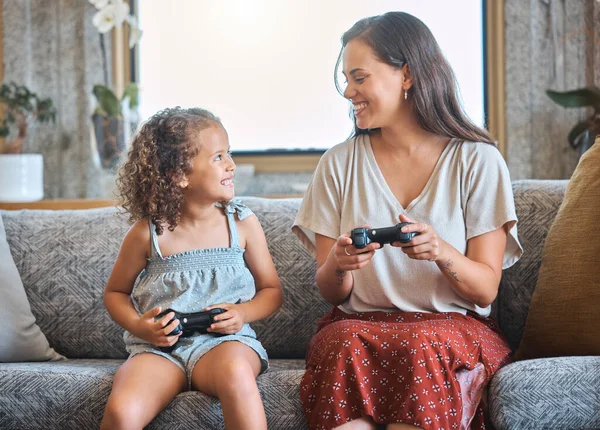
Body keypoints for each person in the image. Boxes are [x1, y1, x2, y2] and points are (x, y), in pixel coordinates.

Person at [292, 12, 522, 430]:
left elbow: (486, 287)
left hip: (448, 329)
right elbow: (330, 291)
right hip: (358, 328)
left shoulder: (477, 160)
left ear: (407, 75)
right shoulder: (338, 164)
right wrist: (340, 264)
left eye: (359, 77)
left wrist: (440, 252)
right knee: (340, 340)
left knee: (421, 344)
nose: (348, 91)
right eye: (346, 79)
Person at [100, 107, 283, 430]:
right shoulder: (147, 233)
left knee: (237, 376)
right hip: (159, 351)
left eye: (229, 154)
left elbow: (271, 291)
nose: (231, 165)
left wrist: (242, 314)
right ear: (178, 174)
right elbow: (116, 293)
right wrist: (140, 326)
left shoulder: (242, 224)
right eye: (218, 157)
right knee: (122, 412)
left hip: (224, 345)